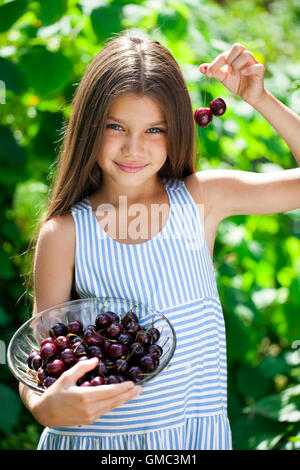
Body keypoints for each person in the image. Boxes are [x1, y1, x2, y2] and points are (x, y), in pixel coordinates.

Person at [19, 30, 300, 451]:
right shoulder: (65, 233)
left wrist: (260, 99)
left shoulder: (201, 199)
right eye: (116, 126)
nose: (134, 147)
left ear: (179, 130)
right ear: (89, 125)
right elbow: (39, 358)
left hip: (193, 439)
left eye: (155, 129)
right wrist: (43, 407)